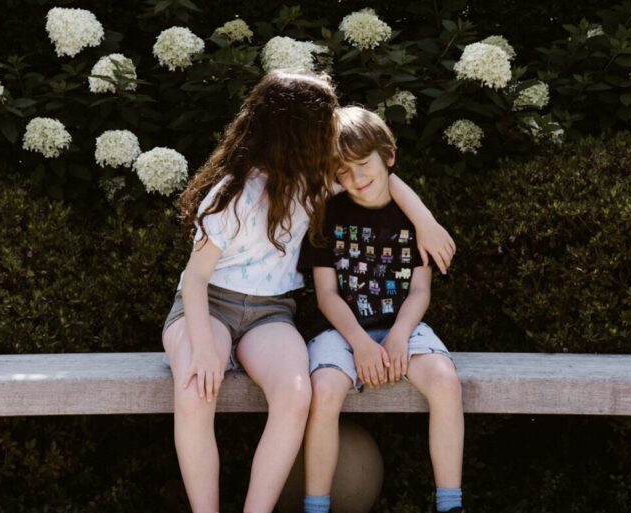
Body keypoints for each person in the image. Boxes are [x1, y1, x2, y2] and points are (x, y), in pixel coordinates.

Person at [161, 72, 455, 513]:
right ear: (296, 132)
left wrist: (425, 221)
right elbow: (197, 280)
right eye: (324, 123)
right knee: (195, 389)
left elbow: (381, 177)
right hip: (208, 308)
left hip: (270, 314)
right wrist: (203, 348)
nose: (332, 130)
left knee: (297, 393)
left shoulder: (314, 182)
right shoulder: (232, 193)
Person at [299, 106, 465, 513]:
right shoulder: (329, 215)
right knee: (323, 391)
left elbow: (420, 291)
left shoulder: (412, 218)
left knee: (445, 382)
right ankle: (315, 506)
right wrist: (360, 343)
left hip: (402, 325)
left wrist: (398, 336)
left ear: (388, 156)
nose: (356, 179)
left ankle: (450, 504)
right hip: (343, 331)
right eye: (343, 172)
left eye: (363, 164)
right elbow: (326, 295)